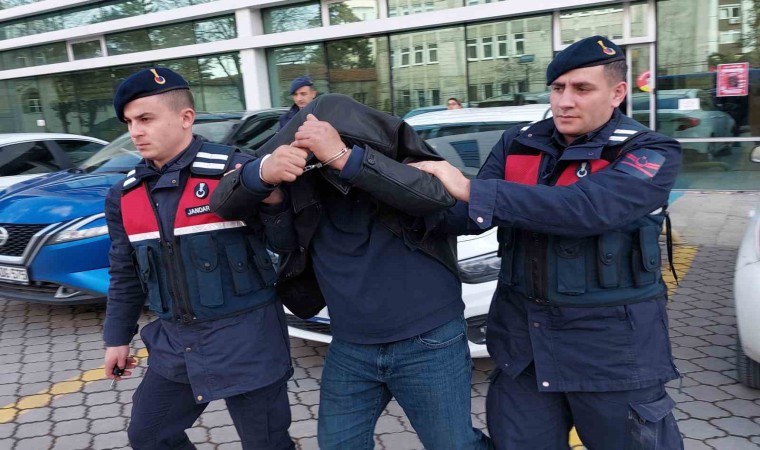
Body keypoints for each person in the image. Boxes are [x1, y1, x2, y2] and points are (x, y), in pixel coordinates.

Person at [412, 36, 684, 449]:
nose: (564, 101)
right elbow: (465, 216)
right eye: (558, 88)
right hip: (525, 349)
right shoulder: (518, 142)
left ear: (617, 93)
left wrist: (468, 187)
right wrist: (381, 179)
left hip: (612, 356)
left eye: (582, 88)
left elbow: (587, 209)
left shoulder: (649, 150)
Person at [210, 93, 492, 450]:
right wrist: (270, 195)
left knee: (453, 444)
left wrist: (345, 158)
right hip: (351, 345)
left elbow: (441, 201)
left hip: (427, 340)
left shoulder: (400, 167)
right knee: (338, 443)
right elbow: (281, 242)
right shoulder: (305, 184)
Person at [102, 67, 295, 450]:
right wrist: (117, 338)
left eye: (146, 119)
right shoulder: (124, 196)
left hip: (249, 342)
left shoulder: (234, 170)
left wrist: (274, 201)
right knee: (149, 435)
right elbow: (125, 272)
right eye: (129, 122)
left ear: (185, 117)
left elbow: (287, 243)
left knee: (267, 444)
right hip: (176, 345)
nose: (135, 131)